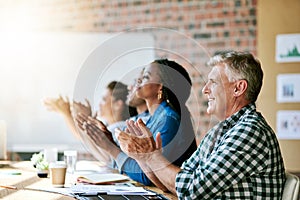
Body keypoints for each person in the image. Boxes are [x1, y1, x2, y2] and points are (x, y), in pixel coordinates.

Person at [116, 51, 286, 199]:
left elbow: (192, 189)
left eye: (213, 82)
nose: (205, 89)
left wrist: (151, 156)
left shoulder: (250, 132)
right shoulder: (220, 131)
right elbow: (175, 183)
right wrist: (144, 157)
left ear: (238, 88)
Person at [76, 59, 197, 187]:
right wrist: (109, 141)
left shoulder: (168, 120)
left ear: (159, 87)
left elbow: (147, 176)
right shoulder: (154, 117)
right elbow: (139, 163)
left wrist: (110, 148)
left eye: (145, 77)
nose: (138, 80)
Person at [43, 81, 132, 164]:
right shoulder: (108, 125)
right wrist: (67, 113)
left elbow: (84, 138)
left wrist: (79, 116)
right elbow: (81, 136)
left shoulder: (120, 129)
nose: (100, 103)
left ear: (117, 105)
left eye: (104, 99)